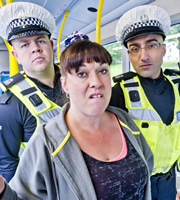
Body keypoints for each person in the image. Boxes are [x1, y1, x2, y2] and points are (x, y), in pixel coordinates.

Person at [0, 40, 153, 199]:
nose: (96, 82)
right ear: (64, 84)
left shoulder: (124, 121)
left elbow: (146, 166)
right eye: (82, 73)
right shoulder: (46, 141)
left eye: (102, 71)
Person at [109, 5, 180, 200]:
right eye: (135, 49)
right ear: (129, 55)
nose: (144, 56)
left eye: (152, 44)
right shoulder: (118, 93)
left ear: (164, 49)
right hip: (136, 187)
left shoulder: (178, 86)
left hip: (170, 183)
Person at [0, 2, 67, 182]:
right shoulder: (11, 104)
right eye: (24, 45)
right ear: (16, 56)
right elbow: (7, 164)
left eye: (40, 41)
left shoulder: (77, 80)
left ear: (51, 45)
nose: (35, 48)